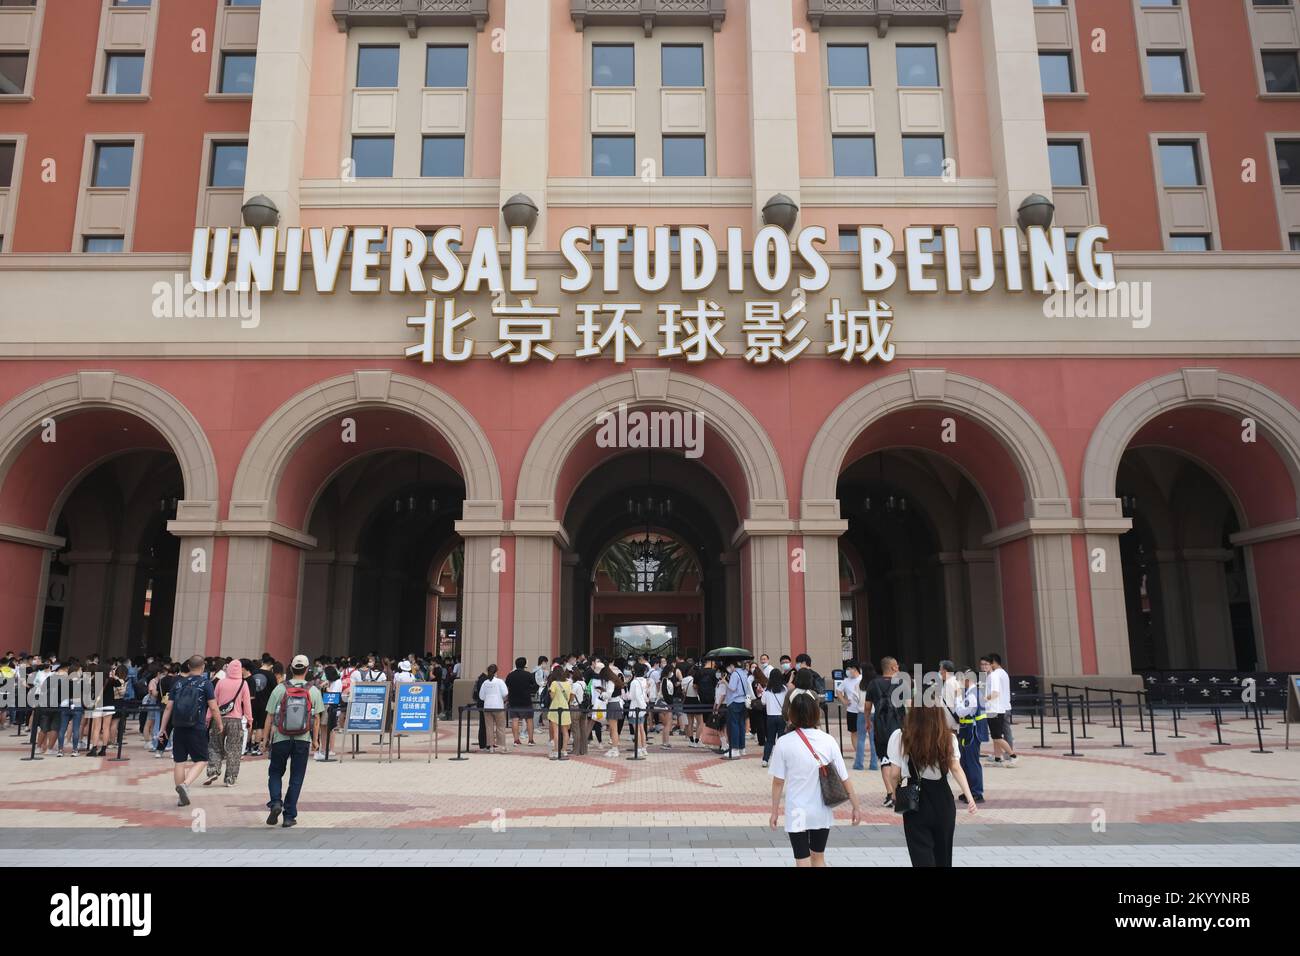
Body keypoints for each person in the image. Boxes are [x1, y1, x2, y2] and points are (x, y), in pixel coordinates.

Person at [768, 692, 861, 867]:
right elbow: (844, 777)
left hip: (797, 809)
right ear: (816, 713)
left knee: (802, 860)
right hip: (821, 810)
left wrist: (774, 811)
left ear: (791, 714)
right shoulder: (828, 740)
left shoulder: (784, 742)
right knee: (818, 858)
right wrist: (855, 806)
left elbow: (778, 782)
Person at [885, 703, 977, 867]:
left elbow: (894, 774)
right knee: (943, 856)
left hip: (916, 802)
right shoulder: (948, 737)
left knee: (921, 855)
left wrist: (894, 792)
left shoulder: (901, 736)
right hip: (944, 802)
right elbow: (956, 768)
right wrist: (969, 797)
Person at [263, 655, 324, 828]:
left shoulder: (280, 689)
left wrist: (265, 740)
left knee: (275, 772)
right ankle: (289, 816)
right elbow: (317, 718)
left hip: (280, 738)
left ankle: (275, 802)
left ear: (290, 669)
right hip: (302, 739)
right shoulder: (313, 691)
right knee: (296, 777)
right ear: (306, 669)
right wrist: (315, 740)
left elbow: (269, 716)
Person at [155, 655, 223, 807]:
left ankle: (180, 797)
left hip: (178, 726)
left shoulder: (178, 684)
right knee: (202, 759)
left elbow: (168, 707)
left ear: (188, 667)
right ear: (203, 667)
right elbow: (213, 707)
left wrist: (162, 729)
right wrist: (219, 723)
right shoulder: (205, 684)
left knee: (179, 761)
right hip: (196, 727)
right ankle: (185, 785)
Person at [864, 657, 906, 807]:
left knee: (885, 760)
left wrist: (867, 721)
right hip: (899, 727)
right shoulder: (901, 683)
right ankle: (898, 792)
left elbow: (867, 706)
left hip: (881, 726)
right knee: (898, 760)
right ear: (894, 667)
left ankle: (890, 794)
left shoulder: (873, 684)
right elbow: (909, 705)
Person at [204, 658, 253, 787]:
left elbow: (213, 702)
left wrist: (208, 717)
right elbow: (247, 704)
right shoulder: (243, 684)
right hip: (236, 721)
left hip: (219, 719)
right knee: (234, 749)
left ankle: (213, 770)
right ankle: (230, 778)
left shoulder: (221, 683)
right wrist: (249, 719)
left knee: (215, 746)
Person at [955, 670, 986, 804]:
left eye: (961, 680)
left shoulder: (973, 695)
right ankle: (970, 790)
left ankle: (977, 793)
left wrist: (957, 697)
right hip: (968, 732)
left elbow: (961, 712)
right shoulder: (972, 693)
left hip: (972, 733)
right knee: (966, 763)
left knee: (972, 763)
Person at [982, 653, 1018, 766]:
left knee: (998, 735)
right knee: (996, 735)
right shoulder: (1000, 673)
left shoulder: (995, 675)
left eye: (987, 664)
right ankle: (998, 758)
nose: (984, 666)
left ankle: (1012, 755)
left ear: (992, 663)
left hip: (997, 708)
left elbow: (995, 693)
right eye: (982, 664)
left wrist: (983, 699)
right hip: (999, 707)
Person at [506, 657, 538, 746]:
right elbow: (535, 687)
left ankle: (516, 740)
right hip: (526, 700)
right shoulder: (528, 675)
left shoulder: (510, 675)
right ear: (524, 665)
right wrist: (529, 690)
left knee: (515, 720)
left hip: (513, 700)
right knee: (529, 720)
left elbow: (506, 685)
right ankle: (530, 740)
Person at [853, 663, 879, 772]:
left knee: (861, 739)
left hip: (861, 713)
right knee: (873, 740)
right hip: (875, 713)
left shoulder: (858, 684)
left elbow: (855, 699)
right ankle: (874, 764)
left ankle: (859, 764)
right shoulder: (876, 684)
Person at [477, 664, 509, 753]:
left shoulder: (485, 683)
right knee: (500, 727)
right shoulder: (499, 682)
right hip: (498, 706)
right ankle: (502, 747)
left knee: (489, 727)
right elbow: (505, 693)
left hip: (487, 707)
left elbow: (481, 696)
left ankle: (491, 747)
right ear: (496, 672)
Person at [720, 660, 749, 759]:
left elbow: (732, 688)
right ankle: (742, 748)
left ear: (732, 665)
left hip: (734, 701)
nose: (729, 669)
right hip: (743, 702)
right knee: (741, 725)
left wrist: (725, 682)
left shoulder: (735, 674)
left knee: (734, 725)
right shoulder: (744, 673)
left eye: (729, 666)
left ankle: (735, 749)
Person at [760, 667, 787, 767]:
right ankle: (781, 761)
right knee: (781, 740)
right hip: (782, 717)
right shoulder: (784, 689)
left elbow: (763, 702)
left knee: (770, 740)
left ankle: (765, 760)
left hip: (770, 717)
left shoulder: (767, 691)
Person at [837, 660, 863, 759]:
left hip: (863, 710)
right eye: (847, 669)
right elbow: (838, 691)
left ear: (855, 669)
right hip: (851, 711)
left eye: (849, 668)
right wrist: (844, 700)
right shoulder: (846, 681)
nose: (847, 671)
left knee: (865, 732)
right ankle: (858, 752)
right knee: (854, 731)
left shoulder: (863, 679)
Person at [545, 668, 572, 760]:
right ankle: (564, 750)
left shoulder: (554, 683)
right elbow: (569, 697)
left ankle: (556, 751)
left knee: (556, 731)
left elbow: (552, 696)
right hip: (565, 707)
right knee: (565, 731)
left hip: (555, 707)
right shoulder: (568, 684)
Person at [626, 662, 650, 758]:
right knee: (642, 729)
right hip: (642, 707)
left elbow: (631, 696)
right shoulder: (644, 681)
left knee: (637, 730)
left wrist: (626, 694)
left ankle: (639, 749)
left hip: (635, 707)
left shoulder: (634, 682)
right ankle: (643, 748)